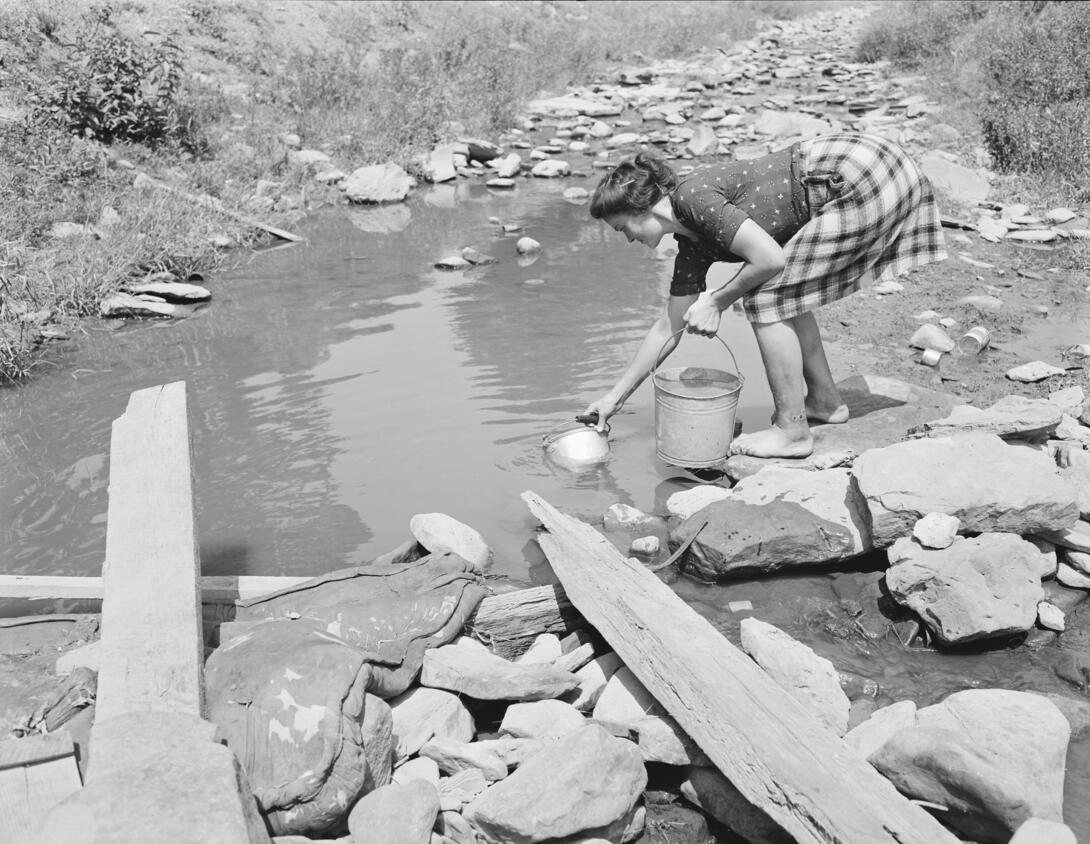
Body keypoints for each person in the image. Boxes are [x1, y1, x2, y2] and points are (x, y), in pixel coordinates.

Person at [584, 132, 947, 459]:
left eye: (622, 227)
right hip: (870, 167)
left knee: (764, 297)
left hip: (861, 172)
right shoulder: (691, 246)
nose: (627, 238)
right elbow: (667, 330)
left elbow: (770, 259)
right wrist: (613, 399)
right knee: (784, 291)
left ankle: (792, 431)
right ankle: (825, 401)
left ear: (639, 207)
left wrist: (717, 301)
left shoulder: (691, 197)